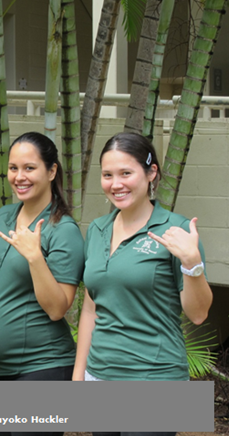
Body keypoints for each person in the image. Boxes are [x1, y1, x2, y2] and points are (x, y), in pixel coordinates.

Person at [73, 132, 213, 436]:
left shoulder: (176, 230)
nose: (116, 184)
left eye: (126, 173)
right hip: (100, 375)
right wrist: (78, 376)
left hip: (155, 380)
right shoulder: (97, 230)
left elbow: (198, 314)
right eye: (108, 175)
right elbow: (90, 308)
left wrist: (192, 265)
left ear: (151, 173)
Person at [0, 131, 84, 436]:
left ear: (51, 171)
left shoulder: (63, 231)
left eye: (29, 168)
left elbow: (57, 308)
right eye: (13, 168)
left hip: (40, 367)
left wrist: (35, 257)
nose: (19, 177)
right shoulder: (6, 215)